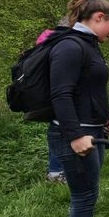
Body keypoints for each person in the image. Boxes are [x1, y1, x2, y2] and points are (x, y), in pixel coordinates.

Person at [47, 0, 109, 217]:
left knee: (88, 194)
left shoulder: (88, 44)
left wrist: (101, 121)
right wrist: (75, 135)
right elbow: (61, 94)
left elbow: (87, 90)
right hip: (75, 136)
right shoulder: (70, 46)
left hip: (91, 131)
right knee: (84, 196)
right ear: (98, 18)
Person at [38, 17, 70, 183]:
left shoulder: (47, 41)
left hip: (48, 95)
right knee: (61, 128)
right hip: (59, 94)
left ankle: (55, 171)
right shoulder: (63, 45)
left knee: (56, 128)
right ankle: (58, 172)